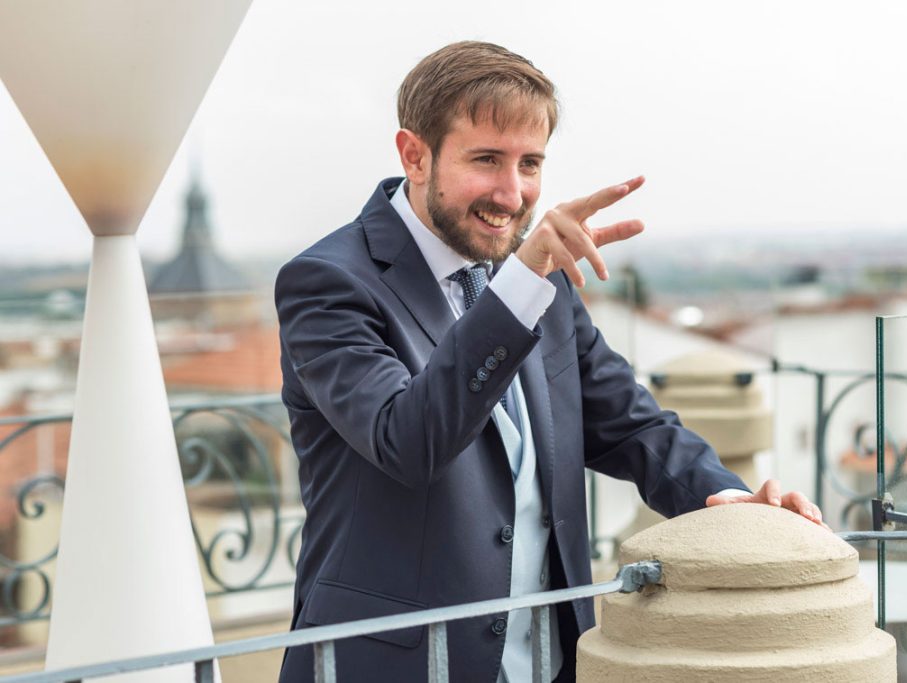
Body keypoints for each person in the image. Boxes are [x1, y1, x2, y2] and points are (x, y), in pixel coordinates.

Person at [275, 41, 823, 683]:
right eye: (487, 159)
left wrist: (728, 499)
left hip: (549, 660)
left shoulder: (540, 284)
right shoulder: (327, 283)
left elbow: (628, 422)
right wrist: (522, 281)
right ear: (414, 154)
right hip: (393, 664)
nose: (513, 194)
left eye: (530, 163)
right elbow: (409, 442)